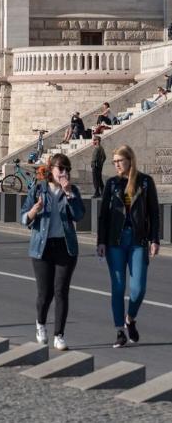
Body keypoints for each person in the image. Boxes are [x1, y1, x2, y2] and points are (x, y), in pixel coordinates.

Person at [97, 145, 160, 348]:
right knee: (117, 287)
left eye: (119, 161)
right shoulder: (112, 184)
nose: (115, 164)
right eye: (114, 161)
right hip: (115, 241)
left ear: (129, 160)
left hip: (138, 241)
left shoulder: (145, 182)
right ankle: (119, 331)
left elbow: (154, 213)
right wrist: (101, 241)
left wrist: (155, 239)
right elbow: (103, 216)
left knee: (138, 289)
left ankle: (130, 319)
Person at [20, 153, 84, 351]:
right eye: (60, 169)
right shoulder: (39, 189)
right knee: (45, 293)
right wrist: (34, 210)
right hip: (42, 247)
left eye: (67, 170)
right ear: (51, 170)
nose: (64, 173)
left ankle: (59, 335)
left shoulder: (72, 191)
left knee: (61, 292)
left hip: (65, 247)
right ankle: (40, 324)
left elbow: (79, 215)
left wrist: (69, 194)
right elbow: (23, 217)